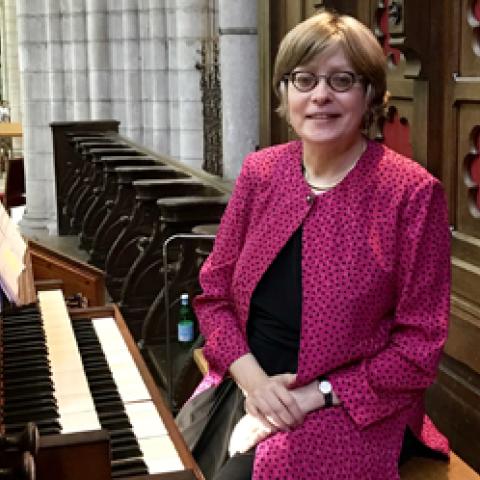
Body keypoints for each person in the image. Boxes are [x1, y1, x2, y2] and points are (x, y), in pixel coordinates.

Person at [190, 10, 451, 480]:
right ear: (285, 92)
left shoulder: (411, 193)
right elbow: (214, 294)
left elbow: (419, 346)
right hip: (247, 382)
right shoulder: (262, 172)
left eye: (342, 80)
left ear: (370, 94)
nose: (320, 95)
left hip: (351, 406)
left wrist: (312, 395)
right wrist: (253, 382)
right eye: (304, 79)